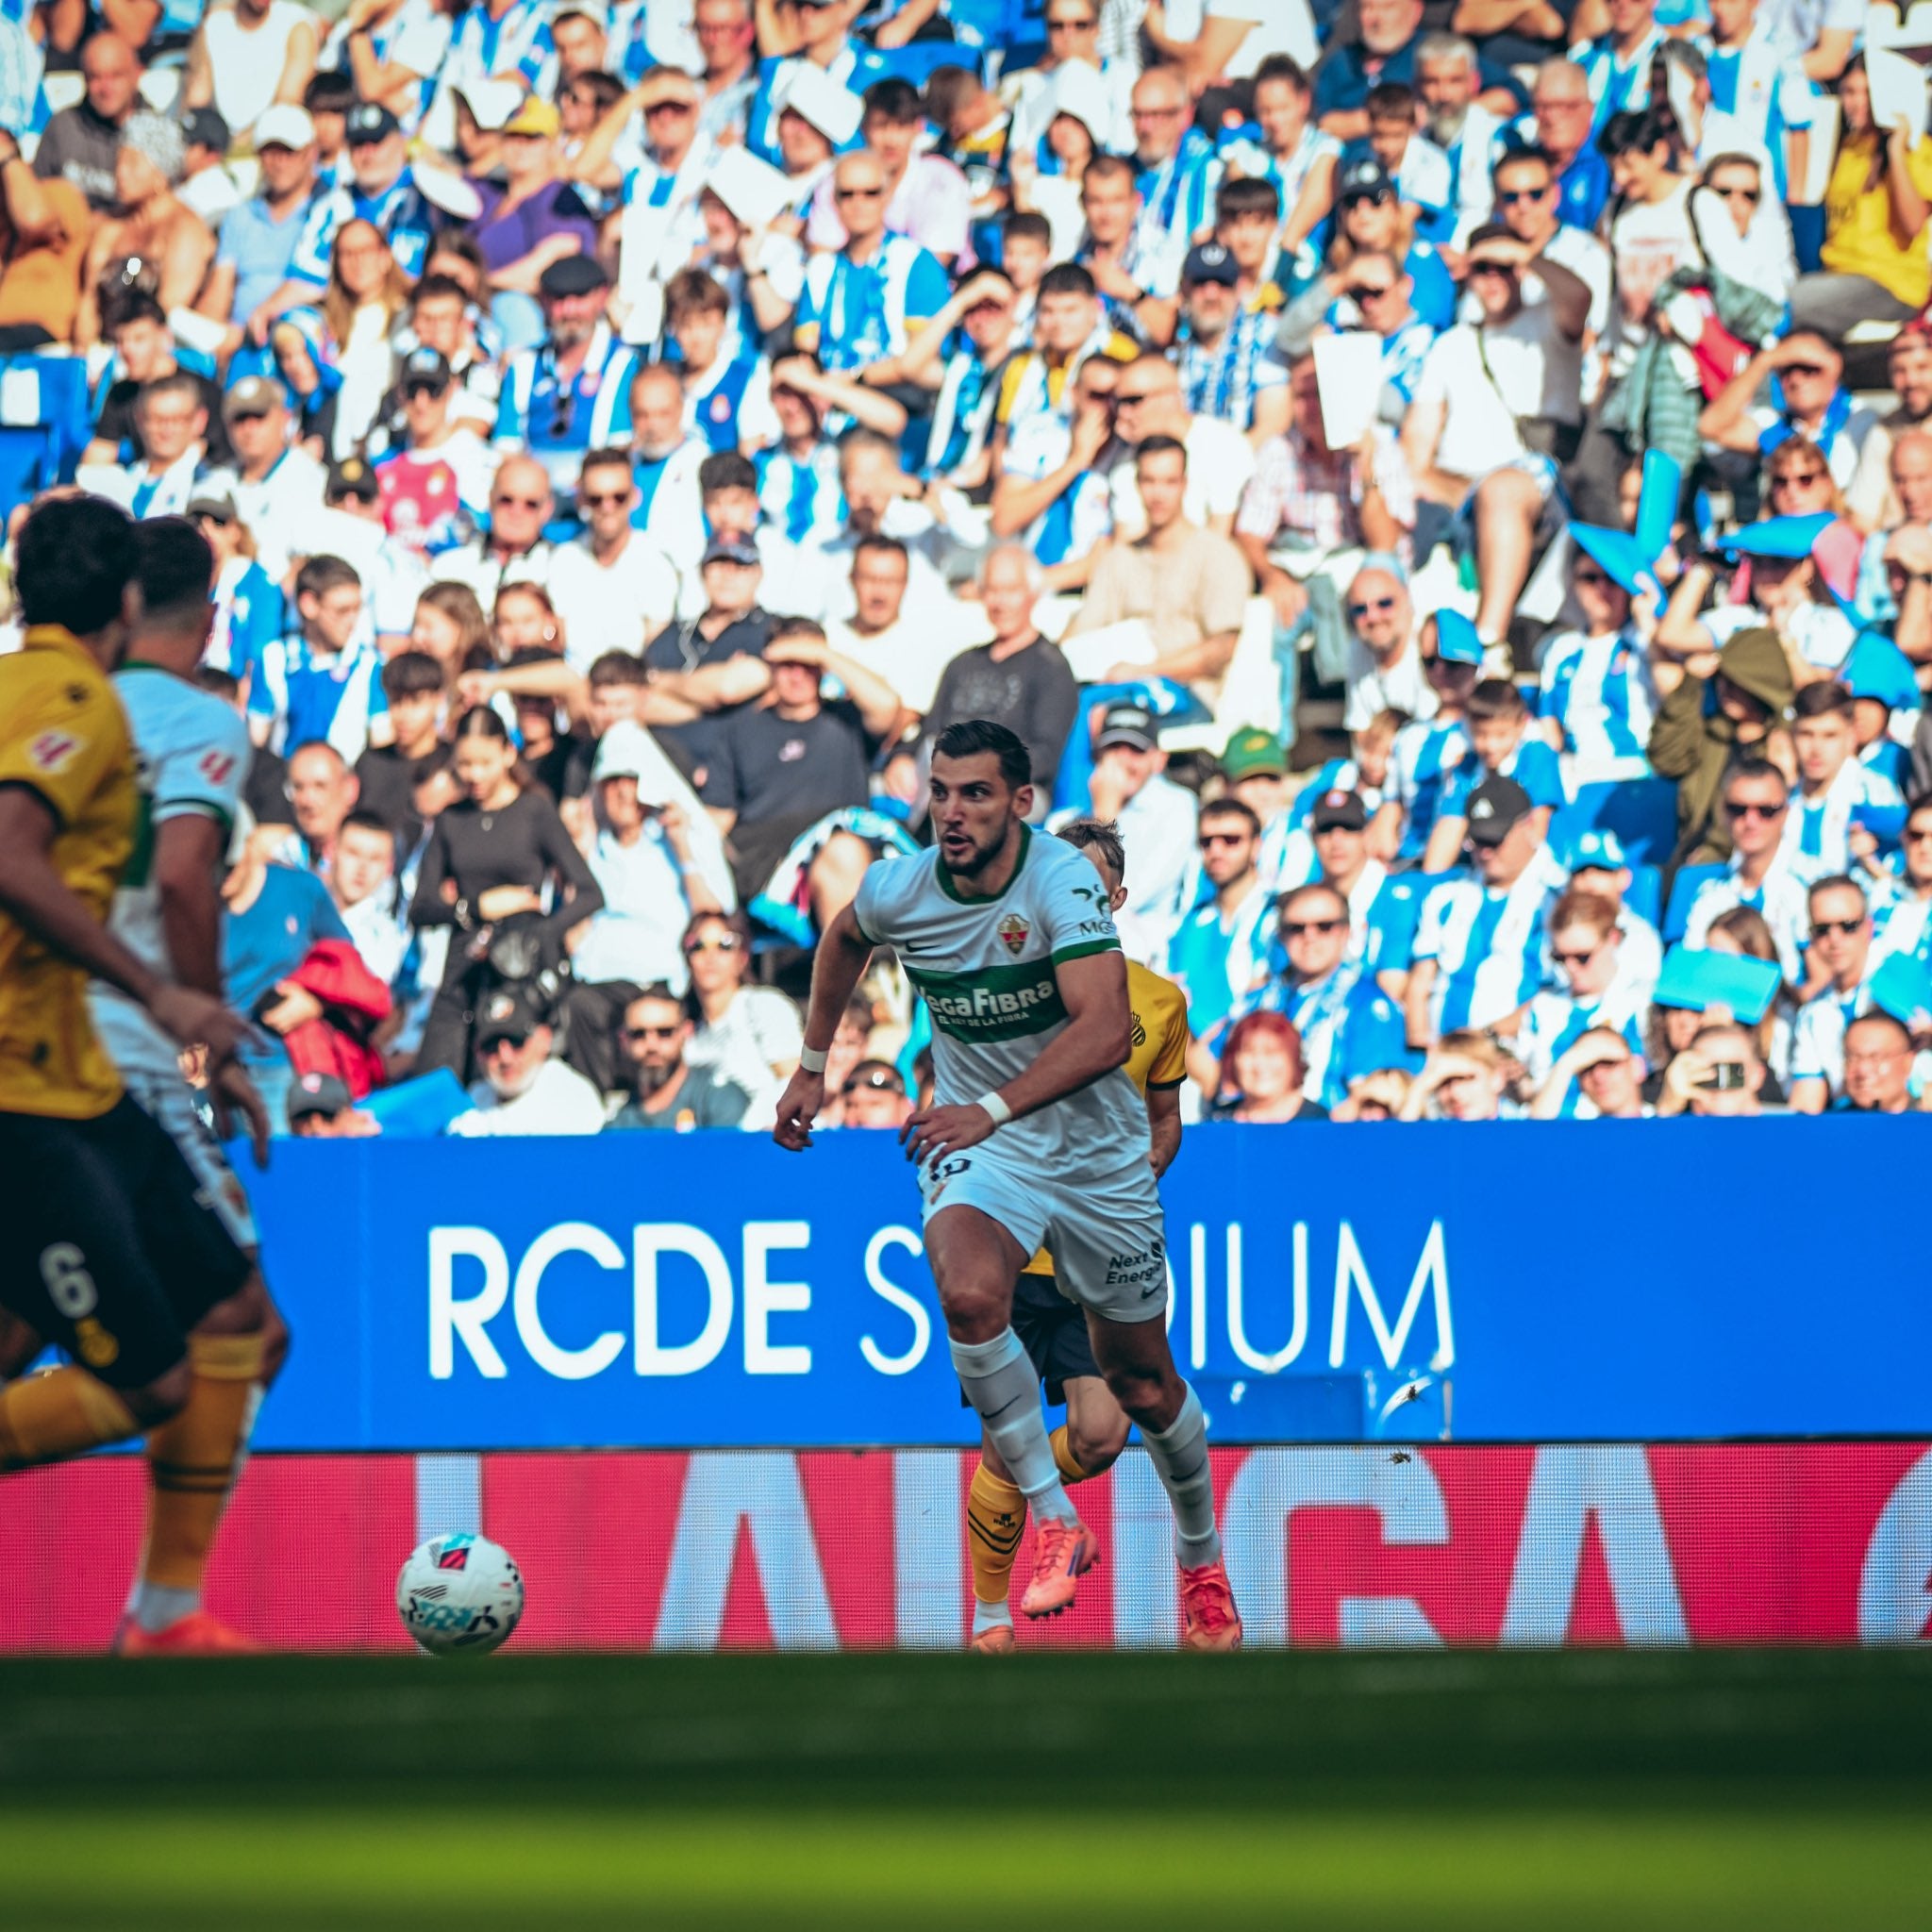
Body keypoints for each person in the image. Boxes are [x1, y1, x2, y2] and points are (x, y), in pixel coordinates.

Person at [774, 720, 1241, 1649]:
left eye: (974, 792)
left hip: (1094, 1162)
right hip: (985, 1151)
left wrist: (989, 1109)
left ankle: (1200, 1559)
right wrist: (811, 1064)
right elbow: (841, 937)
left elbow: (1109, 1035)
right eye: (940, 790)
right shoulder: (901, 884)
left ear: (1020, 803)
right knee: (966, 1288)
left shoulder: (1064, 889)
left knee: (1143, 1388)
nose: (950, 809)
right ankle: (1047, 1525)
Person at [0, 495, 282, 1657]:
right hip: (53, 1075)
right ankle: (163, 1613)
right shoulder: (85, 702)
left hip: (77, 1068)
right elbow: (152, 876)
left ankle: (165, 1617)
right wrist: (176, 1006)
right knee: (173, 1368)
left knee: (233, 1320)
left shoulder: (59, 696)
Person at [959, 816, 1191, 1652]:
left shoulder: (1160, 1002)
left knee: (1100, 1433)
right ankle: (990, 1623)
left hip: (1098, 1254)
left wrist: (1129, 1185)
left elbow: (1164, 1122)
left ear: (1117, 899)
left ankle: (1021, 1499)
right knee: (1003, 1432)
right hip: (1014, 1251)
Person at [408, 706, 604, 1080]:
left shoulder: (534, 811)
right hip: (463, 966)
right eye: (465, 764)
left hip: (519, 966)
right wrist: (478, 907)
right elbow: (421, 908)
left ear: (507, 753)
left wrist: (544, 931)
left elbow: (590, 892)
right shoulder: (451, 820)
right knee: (437, 1079)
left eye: (485, 762)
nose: (475, 775)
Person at [1405, 774, 1561, 1047]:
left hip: (1514, 1053)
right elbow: (1420, 984)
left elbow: (1559, 992)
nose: (1485, 853)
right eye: (1477, 841)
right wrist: (1423, 1044)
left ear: (1529, 826)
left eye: (1495, 840)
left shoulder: (1554, 899)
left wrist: (1485, 1041)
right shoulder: (1445, 897)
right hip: (1441, 1056)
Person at [922, 546, 1080, 805]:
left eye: (1012, 591)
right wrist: (902, 760)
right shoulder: (961, 665)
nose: (1001, 602)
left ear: (1033, 594)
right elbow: (928, 735)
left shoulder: (1050, 667)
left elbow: (1045, 755)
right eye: (993, 591)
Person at [1794, 55, 1932, 337]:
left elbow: (1915, 224)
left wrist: (1895, 151)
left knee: (1793, 303)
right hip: (1837, 276)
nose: (1856, 102)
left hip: (1888, 282)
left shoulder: (1916, 148)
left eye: (1867, 92)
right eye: (1849, 91)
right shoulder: (1848, 146)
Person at [248, 554, 391, 764]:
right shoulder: (274, 658)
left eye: (357, 609)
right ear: (309, 605)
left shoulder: (370, 666)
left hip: (345, 789)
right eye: (342, 611)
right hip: (280, 787)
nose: (352, 621)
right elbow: (256, 740)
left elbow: (382, 744)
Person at [680, 907, 803, 1110]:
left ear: (743, 957)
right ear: (687, 958)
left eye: (725, 944)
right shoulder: (691, 1037)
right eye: (697, 945)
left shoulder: (764, 1006)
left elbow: (796, 1084)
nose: (711, 956)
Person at [447, 985, 607, 1137]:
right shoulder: (471, 1101)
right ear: (477, 1051)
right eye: (491, 1046)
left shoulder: (574, 1099)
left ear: (545, 1037)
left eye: (517, 1042)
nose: (505, 1057)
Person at [606, 981, 755, 1130]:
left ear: (686, 1032)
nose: (651, 1045)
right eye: (638, 1034)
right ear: (623, 1040)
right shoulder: (619, 1123)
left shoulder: (719, 1097)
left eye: (665, 1032)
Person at [1789, 874, 1882, 1110]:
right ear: (1811, 936)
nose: (1834, 939)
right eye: (1822, 930)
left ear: (1869, 928)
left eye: (1848, 926)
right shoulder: (1813, 1013)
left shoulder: (1902, 987)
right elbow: (1807, 1103)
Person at [1211, 1008, 1329, 1121]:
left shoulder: (1319, 1123)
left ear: (1293, 1059)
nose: (1260, 1065)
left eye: (1271, 1052)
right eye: (1249, 1052)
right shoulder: (1217, 1122)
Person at [1835, 1010, 1917, 1114]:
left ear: (1908, 1062)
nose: (1863, 1070)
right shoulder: (1832, 1124)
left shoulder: (1925, 1120)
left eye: (1876, 1058)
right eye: (1853, 1058)